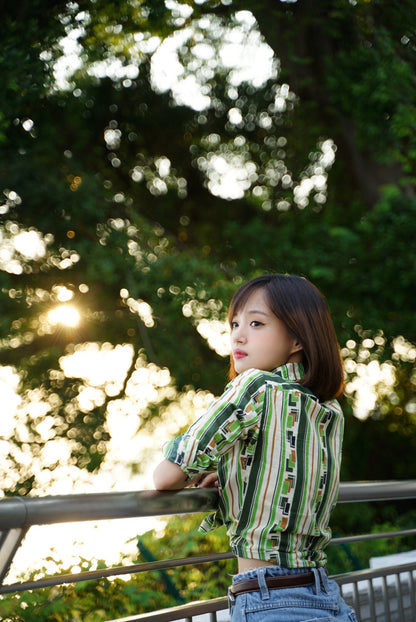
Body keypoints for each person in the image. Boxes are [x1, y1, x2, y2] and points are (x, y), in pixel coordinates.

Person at [153, 273, 358, 622]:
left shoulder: (256, 386)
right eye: (234, 323)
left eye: (256, 323)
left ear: (297, 338)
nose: (238, 334)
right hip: (326, 595)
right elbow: (285, 469)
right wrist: (230, 468)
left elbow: (167, 477)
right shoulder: (327, 408)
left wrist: (195, 462)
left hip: (272, 601)